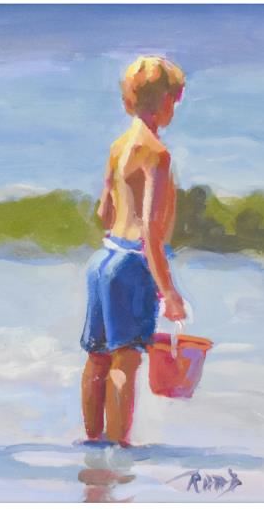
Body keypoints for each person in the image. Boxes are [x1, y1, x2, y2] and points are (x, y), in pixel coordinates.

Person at [80, 55, 188, 446]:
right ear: (167, 102)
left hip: (103, 260)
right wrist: (169, 293)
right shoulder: (157, 153)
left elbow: (104, 212)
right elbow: (150, 234)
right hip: (132, 265)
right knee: (125, 361)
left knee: (97, 358)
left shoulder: (118, 147)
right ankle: (118, 450)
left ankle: (93, 446)